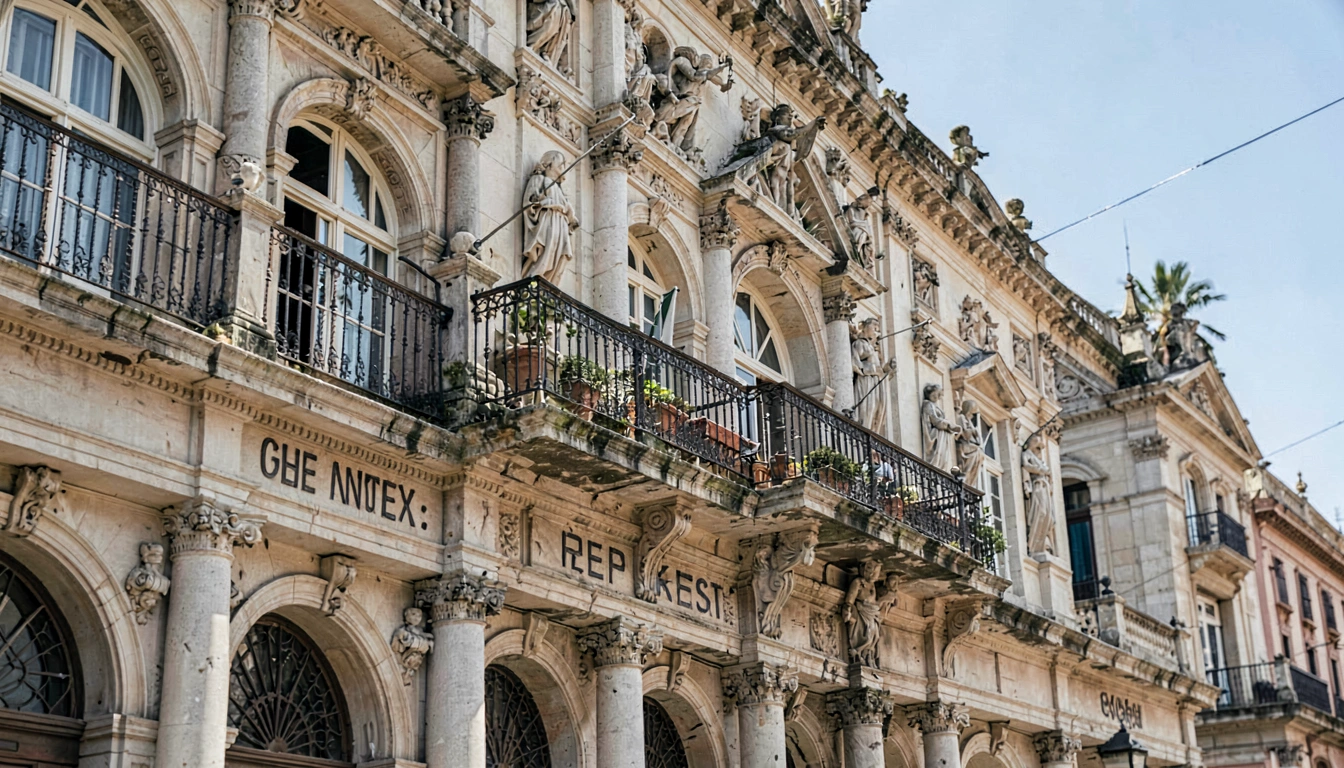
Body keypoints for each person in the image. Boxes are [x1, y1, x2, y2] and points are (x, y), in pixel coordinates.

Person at [521, 151, 579, 284]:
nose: (563, 167)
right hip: (548, 221)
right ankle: (532, 279)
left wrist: (571, 216)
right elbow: (530, 202)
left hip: (561, 224)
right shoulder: (539, 179)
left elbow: (567, 208)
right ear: (548, 165)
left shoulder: (559, 189)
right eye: (560, 164)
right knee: (546, 251)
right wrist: (551, 204)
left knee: (561, 254)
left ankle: (548, 283)